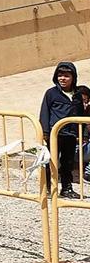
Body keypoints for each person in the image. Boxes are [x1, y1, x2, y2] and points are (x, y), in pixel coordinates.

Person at [39, 61, 87, 200]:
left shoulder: (77, 95)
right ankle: (47, 188)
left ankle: (66, 188)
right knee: (50, 162)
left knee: (67, 163)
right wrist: (46, 132)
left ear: (73, 77)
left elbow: (81, 116)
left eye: (66, 76)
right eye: (60, 75)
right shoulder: (51, 93)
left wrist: (82, 133)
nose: (62, 78)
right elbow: (44, 112)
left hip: (70, 134)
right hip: (55, 134)